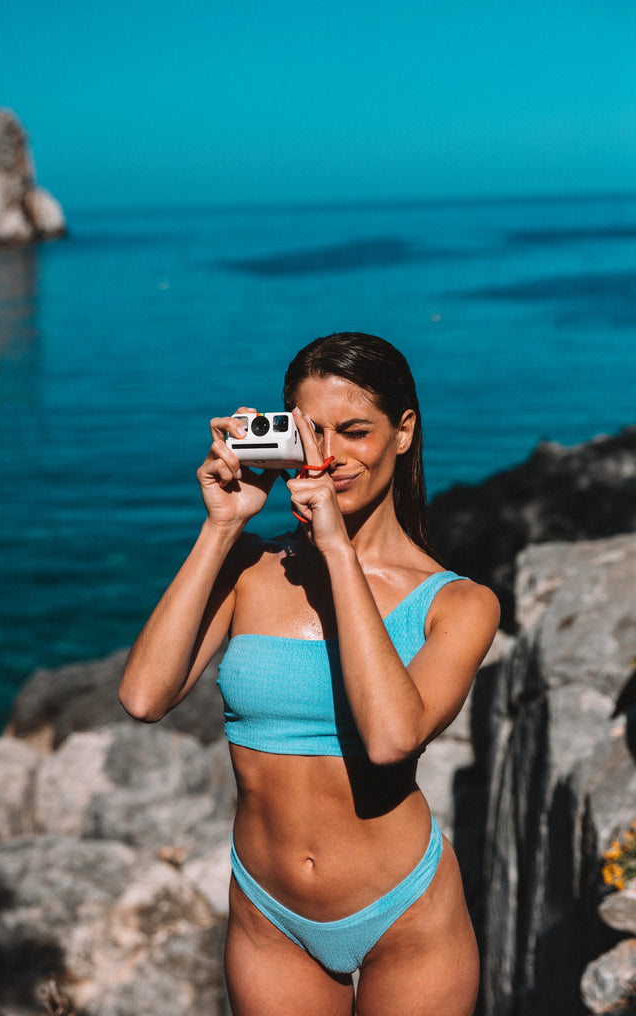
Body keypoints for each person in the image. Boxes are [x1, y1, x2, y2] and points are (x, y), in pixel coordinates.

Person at [119, 331, 500, 1016]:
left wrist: (336, 551)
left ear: (403, 431)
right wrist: (222, 526)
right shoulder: (249, 568)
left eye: (355, 431)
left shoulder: (459, 604)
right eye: (311, 432)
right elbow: (144, 696)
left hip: (405, 917)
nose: (330, 455)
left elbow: (392, 738)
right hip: (269, 915)